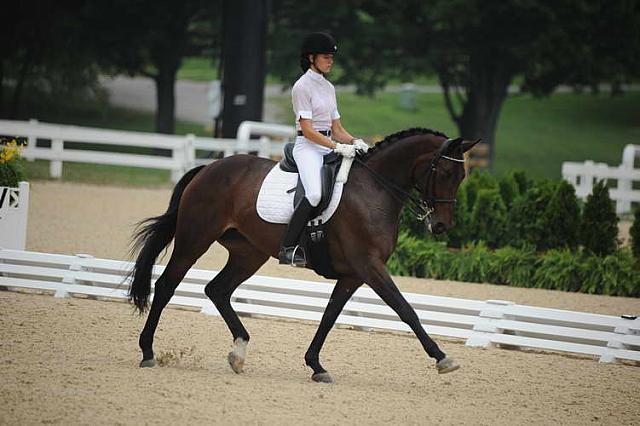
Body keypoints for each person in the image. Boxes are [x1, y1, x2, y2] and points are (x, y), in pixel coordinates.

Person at [279, 32, 369, 267]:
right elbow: (308, 130)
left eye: (332, 58)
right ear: (311, 58)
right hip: (307, 147)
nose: (331, 61)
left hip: (329, 145)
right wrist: (337, 147)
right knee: (315, 194)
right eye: (326, 57)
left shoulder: (328, 88)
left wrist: (354, 141)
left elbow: (336, 128)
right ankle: (288, 248)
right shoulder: (302, 87)